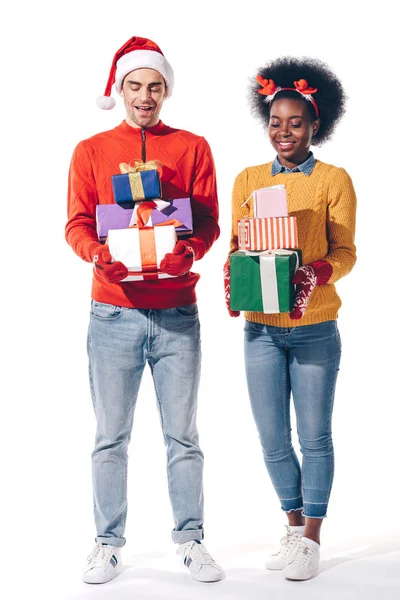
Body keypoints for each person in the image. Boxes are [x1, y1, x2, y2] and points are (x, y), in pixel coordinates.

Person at [66, 35, 224, 585]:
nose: (145, 95)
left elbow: (205, 220)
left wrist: (191, 252)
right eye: (135, 85)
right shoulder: (90, 150)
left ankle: (192, 539)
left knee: (183, 434)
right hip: (113, 313)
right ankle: (107, 543)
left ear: (166, 90)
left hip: (177, 312)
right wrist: (96, 256)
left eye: (155, 86)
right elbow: (78, 223)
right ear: (120, 88)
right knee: (111, 434)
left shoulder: (193, 146)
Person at [224, 56, 356, 580]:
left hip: (314, 327)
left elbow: (346, 251)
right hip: (259, 327)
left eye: (295, 122)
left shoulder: (333, 180)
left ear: (314, 125)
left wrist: (317, 272)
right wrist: (234, 277)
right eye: (275, 122)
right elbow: (239, 243)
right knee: (273, 438)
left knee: (315, 435)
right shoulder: (249, 179)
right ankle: (293, 526)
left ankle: (313, 540)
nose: (284, 131)